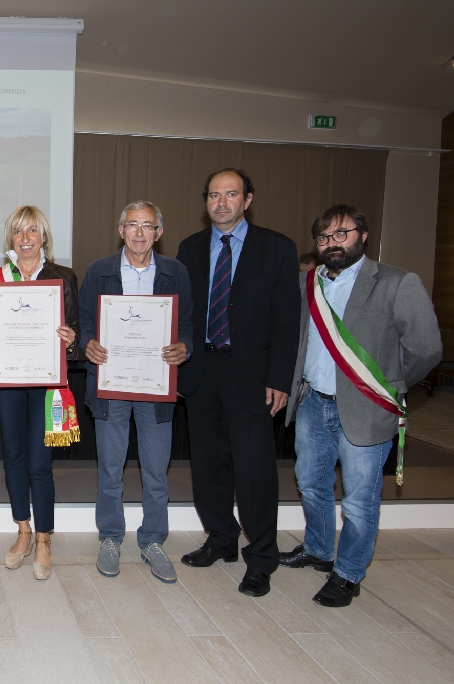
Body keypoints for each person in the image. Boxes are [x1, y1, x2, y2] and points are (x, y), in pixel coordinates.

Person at [281, 204, 441, 607]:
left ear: (363, 235)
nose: (332, 244)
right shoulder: (307, 282)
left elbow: (426, 348)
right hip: (313, 403)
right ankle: (318, 549)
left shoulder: (397, 282)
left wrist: (391, 385)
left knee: (359, 499)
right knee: (311, 484)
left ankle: (348, 573)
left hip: (367, 407)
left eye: (342, 234)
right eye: (324, 237)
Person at [175, 168, 300, 597]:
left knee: (254, 471)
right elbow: (182, 314)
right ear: (205, 201)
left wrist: (280, 378)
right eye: (214, 195)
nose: (221, 202)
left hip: (253, 376)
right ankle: (221, 538)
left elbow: (288, 324)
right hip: (201, 370)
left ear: (247, 199)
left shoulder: (277, 248)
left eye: (231, 194)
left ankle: (262, 557)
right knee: (208, 465)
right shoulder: (189, 249)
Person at [78, 201, 193, 584]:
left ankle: (152, 540)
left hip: (157, 386)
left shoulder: (176, 272)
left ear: (158, 233)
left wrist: (185, 348)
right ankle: (111, 537)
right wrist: (88, 343)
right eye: (132, 225)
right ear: (120, 229)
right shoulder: (99, 271)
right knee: (110, 468)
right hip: (112, 384)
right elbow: (85, 324)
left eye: (147, 226)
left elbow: (188, 325)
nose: (139, 233)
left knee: (156, 470)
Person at [0, 206, 79, 580]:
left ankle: (44, 538)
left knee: (40, 461)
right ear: (11, 239)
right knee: (14, 456)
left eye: (33, 231)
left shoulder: (64, 278)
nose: (25, 238)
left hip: (48, 381)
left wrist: (71, 340)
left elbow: (76, 335)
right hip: (8, 381)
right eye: (19, 232)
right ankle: (22, 531)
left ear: (44, 237)